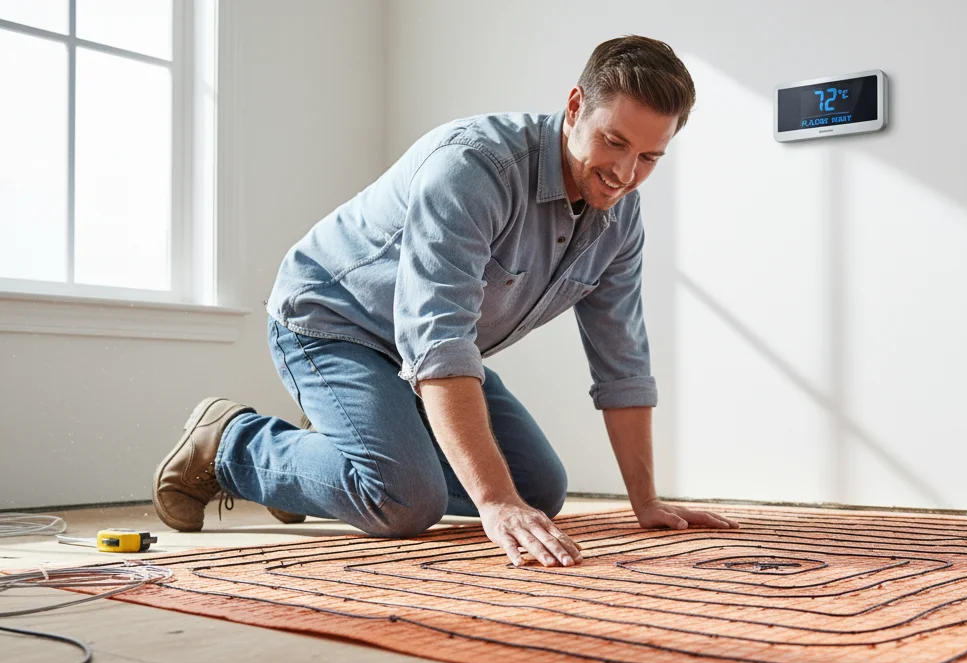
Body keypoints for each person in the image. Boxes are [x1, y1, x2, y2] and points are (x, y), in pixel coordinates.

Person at [151, 35, 737, 567]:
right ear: (576, 106)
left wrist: (645, 501)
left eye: (650, 158)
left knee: (538, 491)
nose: (625, 173)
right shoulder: (474, 167)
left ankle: (330, 459)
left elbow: (623, 361)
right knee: (405, 501)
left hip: (423, 352)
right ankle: (230, 442)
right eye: (614, 143)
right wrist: (492, 503)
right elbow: (438, 340)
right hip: (332, 320)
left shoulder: (620, 218)